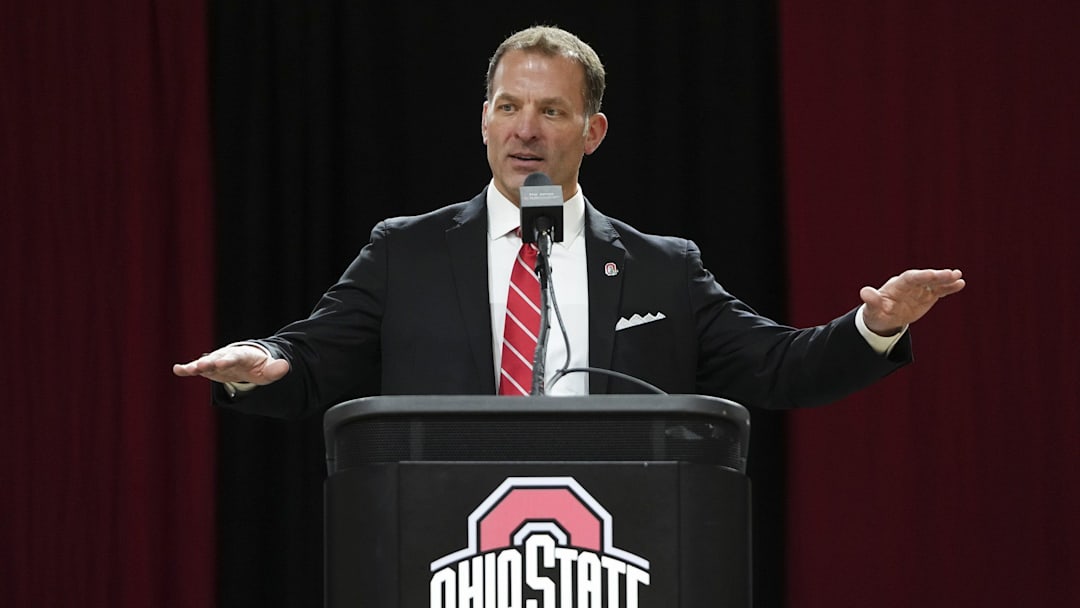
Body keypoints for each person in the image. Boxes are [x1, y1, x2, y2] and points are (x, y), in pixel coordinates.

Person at [173, 26, 964, 419]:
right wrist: (264, 358)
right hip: (446, 554)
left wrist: (873, 327)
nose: (526, 130)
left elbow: (780, 367)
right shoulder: (404, 251)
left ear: (592, 131)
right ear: (483, 121)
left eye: (552, 111)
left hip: (615, 557)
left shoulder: (662, 267)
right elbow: (313, 356)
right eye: (510, 108)